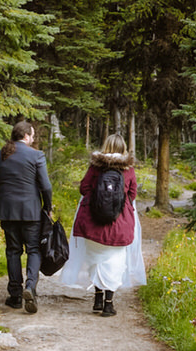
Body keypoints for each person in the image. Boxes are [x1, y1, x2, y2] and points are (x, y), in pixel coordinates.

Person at [55, 132, 146, 316]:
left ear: (106, 146)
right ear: (123, 148)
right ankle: (108, 304)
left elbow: (83, 188)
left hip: (93, 222)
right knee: (114, 262)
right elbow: (133, 193)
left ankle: (97, 299)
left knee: (95, 260)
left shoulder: (95, 166)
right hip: (118, 224)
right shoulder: (128, 168)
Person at [0, 120, 53, 314]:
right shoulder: (36, 155)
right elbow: (46, 186)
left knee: (13, 251)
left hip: (7, 212)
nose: (33, 139)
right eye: (32, 136)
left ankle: (15, 296)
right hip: (31, 212)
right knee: (33, 249)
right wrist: (47, 208)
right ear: (26, 136)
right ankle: (30, 287)